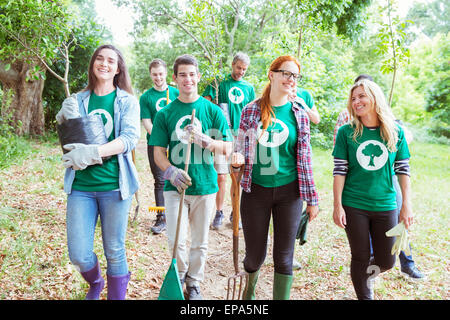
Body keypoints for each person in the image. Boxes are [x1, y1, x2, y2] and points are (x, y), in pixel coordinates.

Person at [231, 55, 319, 300]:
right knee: (254, 255)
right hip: (255, 191)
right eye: (286, 73)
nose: (290, 79)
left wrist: (312, 199)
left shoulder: (299, 112)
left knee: (284, 257)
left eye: (295, 75)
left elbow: (305, 157)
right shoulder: (250, 110)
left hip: (289, 193)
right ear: (272, 74)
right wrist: (236, 156)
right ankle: (247, 299)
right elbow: (239, 146)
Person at [56, 44, 140, 300]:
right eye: (100, 59)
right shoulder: (78, 100)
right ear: (93, 64)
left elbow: (129, 138)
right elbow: (70, 137)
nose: (104, 64)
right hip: (81, 187)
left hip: (115, 186)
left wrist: (94, 153)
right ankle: (95, 282)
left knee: (114, 249)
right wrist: (62, 121)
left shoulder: (127, 101)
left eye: (111, 61)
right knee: (79, 254)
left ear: (118, 69)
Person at [149, 54, 232, 300]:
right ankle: (180, 275)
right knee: (176, 240)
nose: (188, 79)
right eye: (182, 74)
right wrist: (171, 171)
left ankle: (194, 283)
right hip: (175, 189)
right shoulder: (165, 113)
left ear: (198, 77)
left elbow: (228, 147)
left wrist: (207, 141)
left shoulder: (211, 110)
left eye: (192, 74)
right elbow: (157, 153)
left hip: (205, 186)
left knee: (200, 241)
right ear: (174, 79)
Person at [333, 74, 424, 280]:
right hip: (354, 202)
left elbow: (403, 170)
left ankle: (364, 277)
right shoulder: (346, 132)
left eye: (361, 97)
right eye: (353, 99)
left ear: (375, 98)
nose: (356, 102)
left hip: (385, 202)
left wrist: (406, 205)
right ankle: (364, 288)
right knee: (360, 257)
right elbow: (339, 170)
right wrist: (337, 205)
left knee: (387, 261)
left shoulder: (396, 132)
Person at [202, 52, 255, 229]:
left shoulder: (248, 88)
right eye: (238, 67)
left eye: (244, 69)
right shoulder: (220, 83)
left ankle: (236, 212)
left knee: (237, 178)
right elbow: (205, 103)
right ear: (232, 65)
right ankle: (218, 212)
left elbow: (253, 112)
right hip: (221, 136)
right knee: (221, 176)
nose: (241, 71)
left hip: (241, 137)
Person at [140, 59, 179, 234]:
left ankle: (178, 215)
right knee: (160, 179)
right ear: (151, 75)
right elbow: (147, 123)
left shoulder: (176, 92)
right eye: (155, 74)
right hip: (156, 144)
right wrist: (160, 139)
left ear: (166, 74)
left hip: (176, 143)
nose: (158, 77)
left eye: (161, 74)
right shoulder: (146, 97)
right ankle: (161, 218)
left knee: (178, 177)